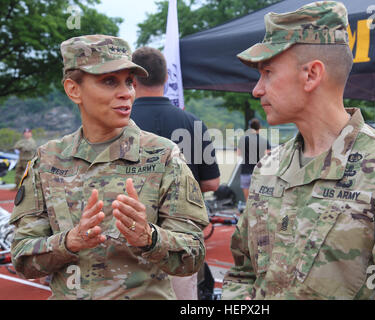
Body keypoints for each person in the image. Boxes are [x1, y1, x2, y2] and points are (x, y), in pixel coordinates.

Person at [222, 1, 375, 300]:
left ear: (312, 75)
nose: (257, 89)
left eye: (267, 72)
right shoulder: (269, 167)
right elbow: (242, 273)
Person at [9, 35, 209, 300]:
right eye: (109, 81)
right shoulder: (48, 160)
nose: (126, 92)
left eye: (129, 81)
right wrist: (68, 242)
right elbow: (22, 259)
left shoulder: (163, 157)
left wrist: (150, 238)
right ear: (73, 89)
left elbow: (193, 255)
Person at [131, 47, 220, 299]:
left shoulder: (118, 125)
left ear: (133, 79)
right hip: (180, 243)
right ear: (167, 78)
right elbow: (212, 182)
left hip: (128, 242)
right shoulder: (192, 122)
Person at [237, 118, 271, 200]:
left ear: (250, 127)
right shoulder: (264, 140)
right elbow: (268, 156)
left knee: (247, 196)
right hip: (259, 171)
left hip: (245, 170)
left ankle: (247, 210)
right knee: (258, 197)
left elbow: (238, 153)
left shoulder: (243, 139)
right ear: (260, 127)